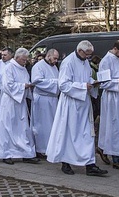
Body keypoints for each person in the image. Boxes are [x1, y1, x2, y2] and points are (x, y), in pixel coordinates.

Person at [46, 40, 107, 177]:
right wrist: (82, 86)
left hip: (84, 103)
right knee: (69, 133)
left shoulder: (85, 62)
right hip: (71, 104)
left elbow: (86, 78)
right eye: (87, 54)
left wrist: (93, 83)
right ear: (80, 51)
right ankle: (66, 162)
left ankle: (90, 164)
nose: (89, 57)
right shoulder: (68, 62)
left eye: (90, 55)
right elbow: (63, 85)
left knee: (87, 134)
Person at [0, 48, 40, 165]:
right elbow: (7, 85)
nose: (25, 62)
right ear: (17, 57)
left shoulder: (23, 69)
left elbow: (25, 82)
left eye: (26, 60)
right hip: (10, 102)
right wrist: (23, 86)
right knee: (8, 127)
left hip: (20, 102)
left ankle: (25, 153)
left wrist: (29, 87)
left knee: (22, 128)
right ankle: (6, 153)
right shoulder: (9, 67)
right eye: (24, 60)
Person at [97, 40, 119, 170]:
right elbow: (103, 82)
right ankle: (117, 158)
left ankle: (103, 148)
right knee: (114, 127)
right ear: (115, 48)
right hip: (112, 97)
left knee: (118, 126)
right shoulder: (106, 61)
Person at [30, 48, 60, 158]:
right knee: (42, 125)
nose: (56, 60)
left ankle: (50, 147)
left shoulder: (54, 67)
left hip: (53, 100)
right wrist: (56, 83)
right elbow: (37, 81)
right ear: (48, 56)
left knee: (52, 125)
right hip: (42, 99)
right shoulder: (38, 66)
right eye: (55, 58)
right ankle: (40, 148)